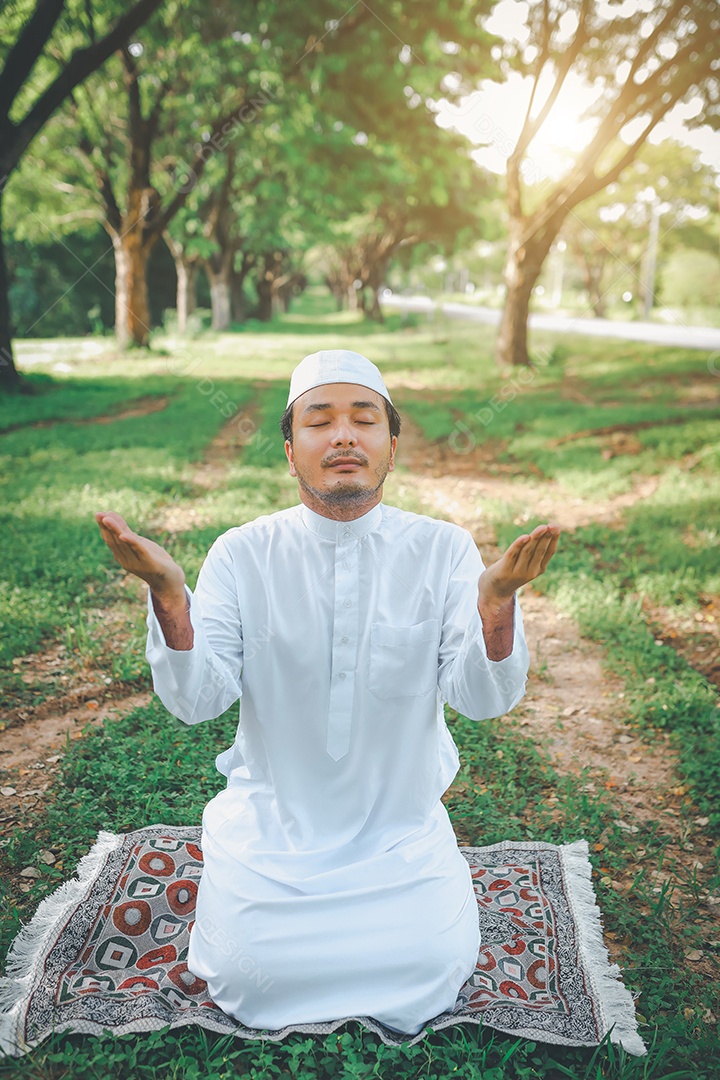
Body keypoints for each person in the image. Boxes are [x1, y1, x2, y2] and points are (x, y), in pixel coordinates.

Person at [95, 349, 560, 1036]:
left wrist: (495, 605)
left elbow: (482, 697)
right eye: (320, 421)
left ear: (390, 444)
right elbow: (199, 700)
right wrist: (169, 596)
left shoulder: (442, 551)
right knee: (249, 973)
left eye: (363, 419)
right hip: (272, 841)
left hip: (398, 841)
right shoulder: (241, 554)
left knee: (429, 965)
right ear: (291, 450)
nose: (344, 436)